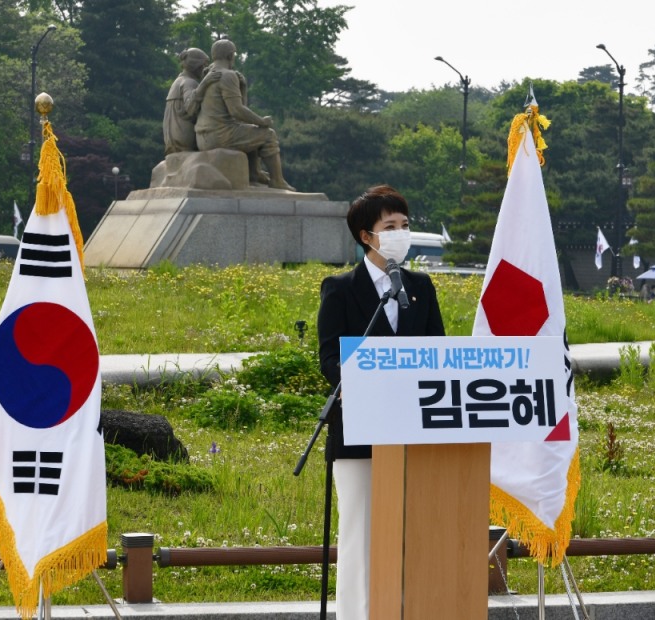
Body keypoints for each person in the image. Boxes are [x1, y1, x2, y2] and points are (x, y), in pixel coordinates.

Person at [317, 185, 445, 619]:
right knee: (361, 532)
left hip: (414, 432)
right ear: (366, 236)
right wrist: (373, 380)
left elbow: (437, 355)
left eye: (405, 225)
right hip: (358, 434)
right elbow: (330, 359)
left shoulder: (421, 287)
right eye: (390, 226)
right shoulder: (340, 288)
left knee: (413, 533)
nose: (400, 234)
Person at [194, 39, 294, 190]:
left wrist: (243, 89)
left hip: (202, 137)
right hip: (220, 135)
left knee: (250, 131)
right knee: (268, 135)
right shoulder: (227, 75)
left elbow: (236, 112)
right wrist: (262, 121)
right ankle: (277, 180)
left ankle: (254, 174)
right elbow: (237, 111)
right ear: (230, 56)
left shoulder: (208, 74)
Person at [163, 48, 221, 155]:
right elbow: (190, 108)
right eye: (203, 65)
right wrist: (205, 83)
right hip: (184, 141)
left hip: (172, 142)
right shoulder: (189, 83)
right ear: (197, 66)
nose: (204, 69)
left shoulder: (178, 81)